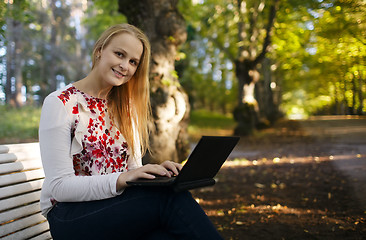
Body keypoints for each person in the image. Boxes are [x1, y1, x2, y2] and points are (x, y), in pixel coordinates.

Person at [38, 23, 223, 240]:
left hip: (113, 209)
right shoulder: (61, 103)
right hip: (70, 217)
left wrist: (154, 174)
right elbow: (60, 187)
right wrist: (123, 178)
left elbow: (133, 170)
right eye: (119, 54)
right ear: (100, 50)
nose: (125, 66)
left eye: (133, 62)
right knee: (170, 200)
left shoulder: (125, 109)